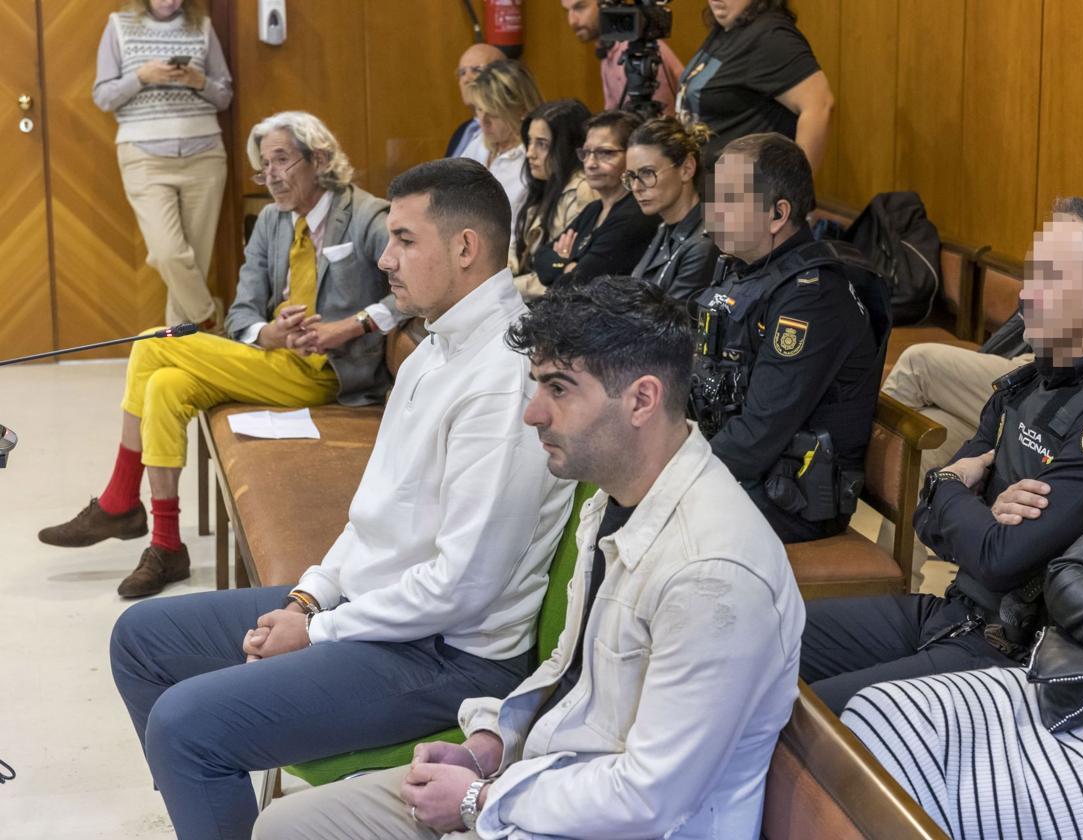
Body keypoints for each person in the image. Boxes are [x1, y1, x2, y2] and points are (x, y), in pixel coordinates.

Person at [109, 158, 575, 840]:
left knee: (185, 727)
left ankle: (204, 774)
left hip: (446, 655)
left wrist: (316, 629)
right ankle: (210, 808)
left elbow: (463, 589)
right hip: (374, 612)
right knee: (141, 640)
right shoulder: (429, 351)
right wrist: (307, 598)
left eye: (406, 240)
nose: (384, 258)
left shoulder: (502, 378)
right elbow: (371, 515)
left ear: (466, 248)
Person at [252, 275, 805, 840]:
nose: (532, 413)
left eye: (559, 389)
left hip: (608, 825)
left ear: (642, 399)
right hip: (542, 782)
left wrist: (479, 799)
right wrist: (490, 745)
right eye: (536, 386)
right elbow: (570, 675)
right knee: (285, 825)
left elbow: (649, 800)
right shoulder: (616, 499)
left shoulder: (710, 574)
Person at [800, 198, 1083, 715]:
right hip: (951, 612)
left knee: (816, 715)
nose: (1026, 294)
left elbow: (1001, 558)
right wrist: (969, 503)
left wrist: (955, 484)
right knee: (770, 639)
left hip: (1007, 655)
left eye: (1048, 278)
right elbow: (926, 519)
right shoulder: (1030, 379)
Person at [842, 330, 1083, 840]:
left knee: (925, 794)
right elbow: (1070, 575)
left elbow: (1004, 559)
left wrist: (958, 498)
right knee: (875, 716)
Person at [38, 111, 400, 598]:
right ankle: (167, 546)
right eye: (262, 165)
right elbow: (241, 314)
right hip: (275, 362)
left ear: (319, 159)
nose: (270, 175)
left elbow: (413, 291)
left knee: (151, 343)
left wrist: (349, 326)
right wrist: (266, 333)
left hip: (332, 374)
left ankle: (121, 500)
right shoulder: (271, 221)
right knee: (166, 384)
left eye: (281, 160)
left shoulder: (368, 216)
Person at [882, 115, 1083, 589]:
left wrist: (958, 492)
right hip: (1051, 364)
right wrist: (967, 496)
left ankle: (855, 475)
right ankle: (904, 578)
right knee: (931, 442)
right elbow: (1039, 317)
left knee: (920, 365)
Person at [693, 132, 889, 543]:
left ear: (777, 214)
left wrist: (669, 474)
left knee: (646, 521)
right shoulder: (743, 270)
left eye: (728, 201)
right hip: (748, 472)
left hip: (791, 497)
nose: (711, 215)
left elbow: (757, 438)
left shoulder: (811, 298)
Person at [93, 0, 233, 331]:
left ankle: (181, 355)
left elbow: (225, 95)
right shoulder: (118, 26)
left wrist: (199, 81)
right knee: (169, 254)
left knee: (195, 260)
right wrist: (141, 77)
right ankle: (207, 317)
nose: (170, 1)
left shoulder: (203, 27)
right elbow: (103, 96)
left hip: (205, 155)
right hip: (144, 157)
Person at [677, 0, 835, 168]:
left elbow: (820, 105)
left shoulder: (770, 35)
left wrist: (798, 188)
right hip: (711, 186)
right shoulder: (727, 28)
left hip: (747, 189)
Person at [533, 110, 659, 286]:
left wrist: (566, 264)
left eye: (605, 153)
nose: (591, 163)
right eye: (586, 153)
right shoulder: (593, 209)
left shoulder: (634, 216)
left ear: (632, 156)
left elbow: (574, 284)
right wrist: (567, 266)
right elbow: (541, 258)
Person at [627, 115, 720, 310]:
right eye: (631, 176)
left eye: (647, 173)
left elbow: (668, 323)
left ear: (686, 168)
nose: (636, 187)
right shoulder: (665, 226)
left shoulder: (704, 243)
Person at [509, 98, 597, 299]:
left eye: (542, 144)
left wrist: (503, 289)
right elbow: (520, 247)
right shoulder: (544, 185)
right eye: (529, 142)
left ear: (566, 146)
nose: (530, 153)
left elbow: (559, 273)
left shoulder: (582, 192)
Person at [461, 59, 543, 238]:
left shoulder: (534, 159)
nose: (483, 122)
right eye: (479, 110)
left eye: (493, 113)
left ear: (522, 110)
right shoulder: (479, 143)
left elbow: (522, 233)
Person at [559, 0, 683, 115]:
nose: (572, 21)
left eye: (580, 8)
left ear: (606, 5)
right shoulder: (609, 51)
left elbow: (660, 124)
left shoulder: (636, 51)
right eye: (567, 11)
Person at [444, 43, 506, 159]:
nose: (467, 79)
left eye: (477, 70)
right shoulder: (463, 130)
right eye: (462, 73)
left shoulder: (507, 131)